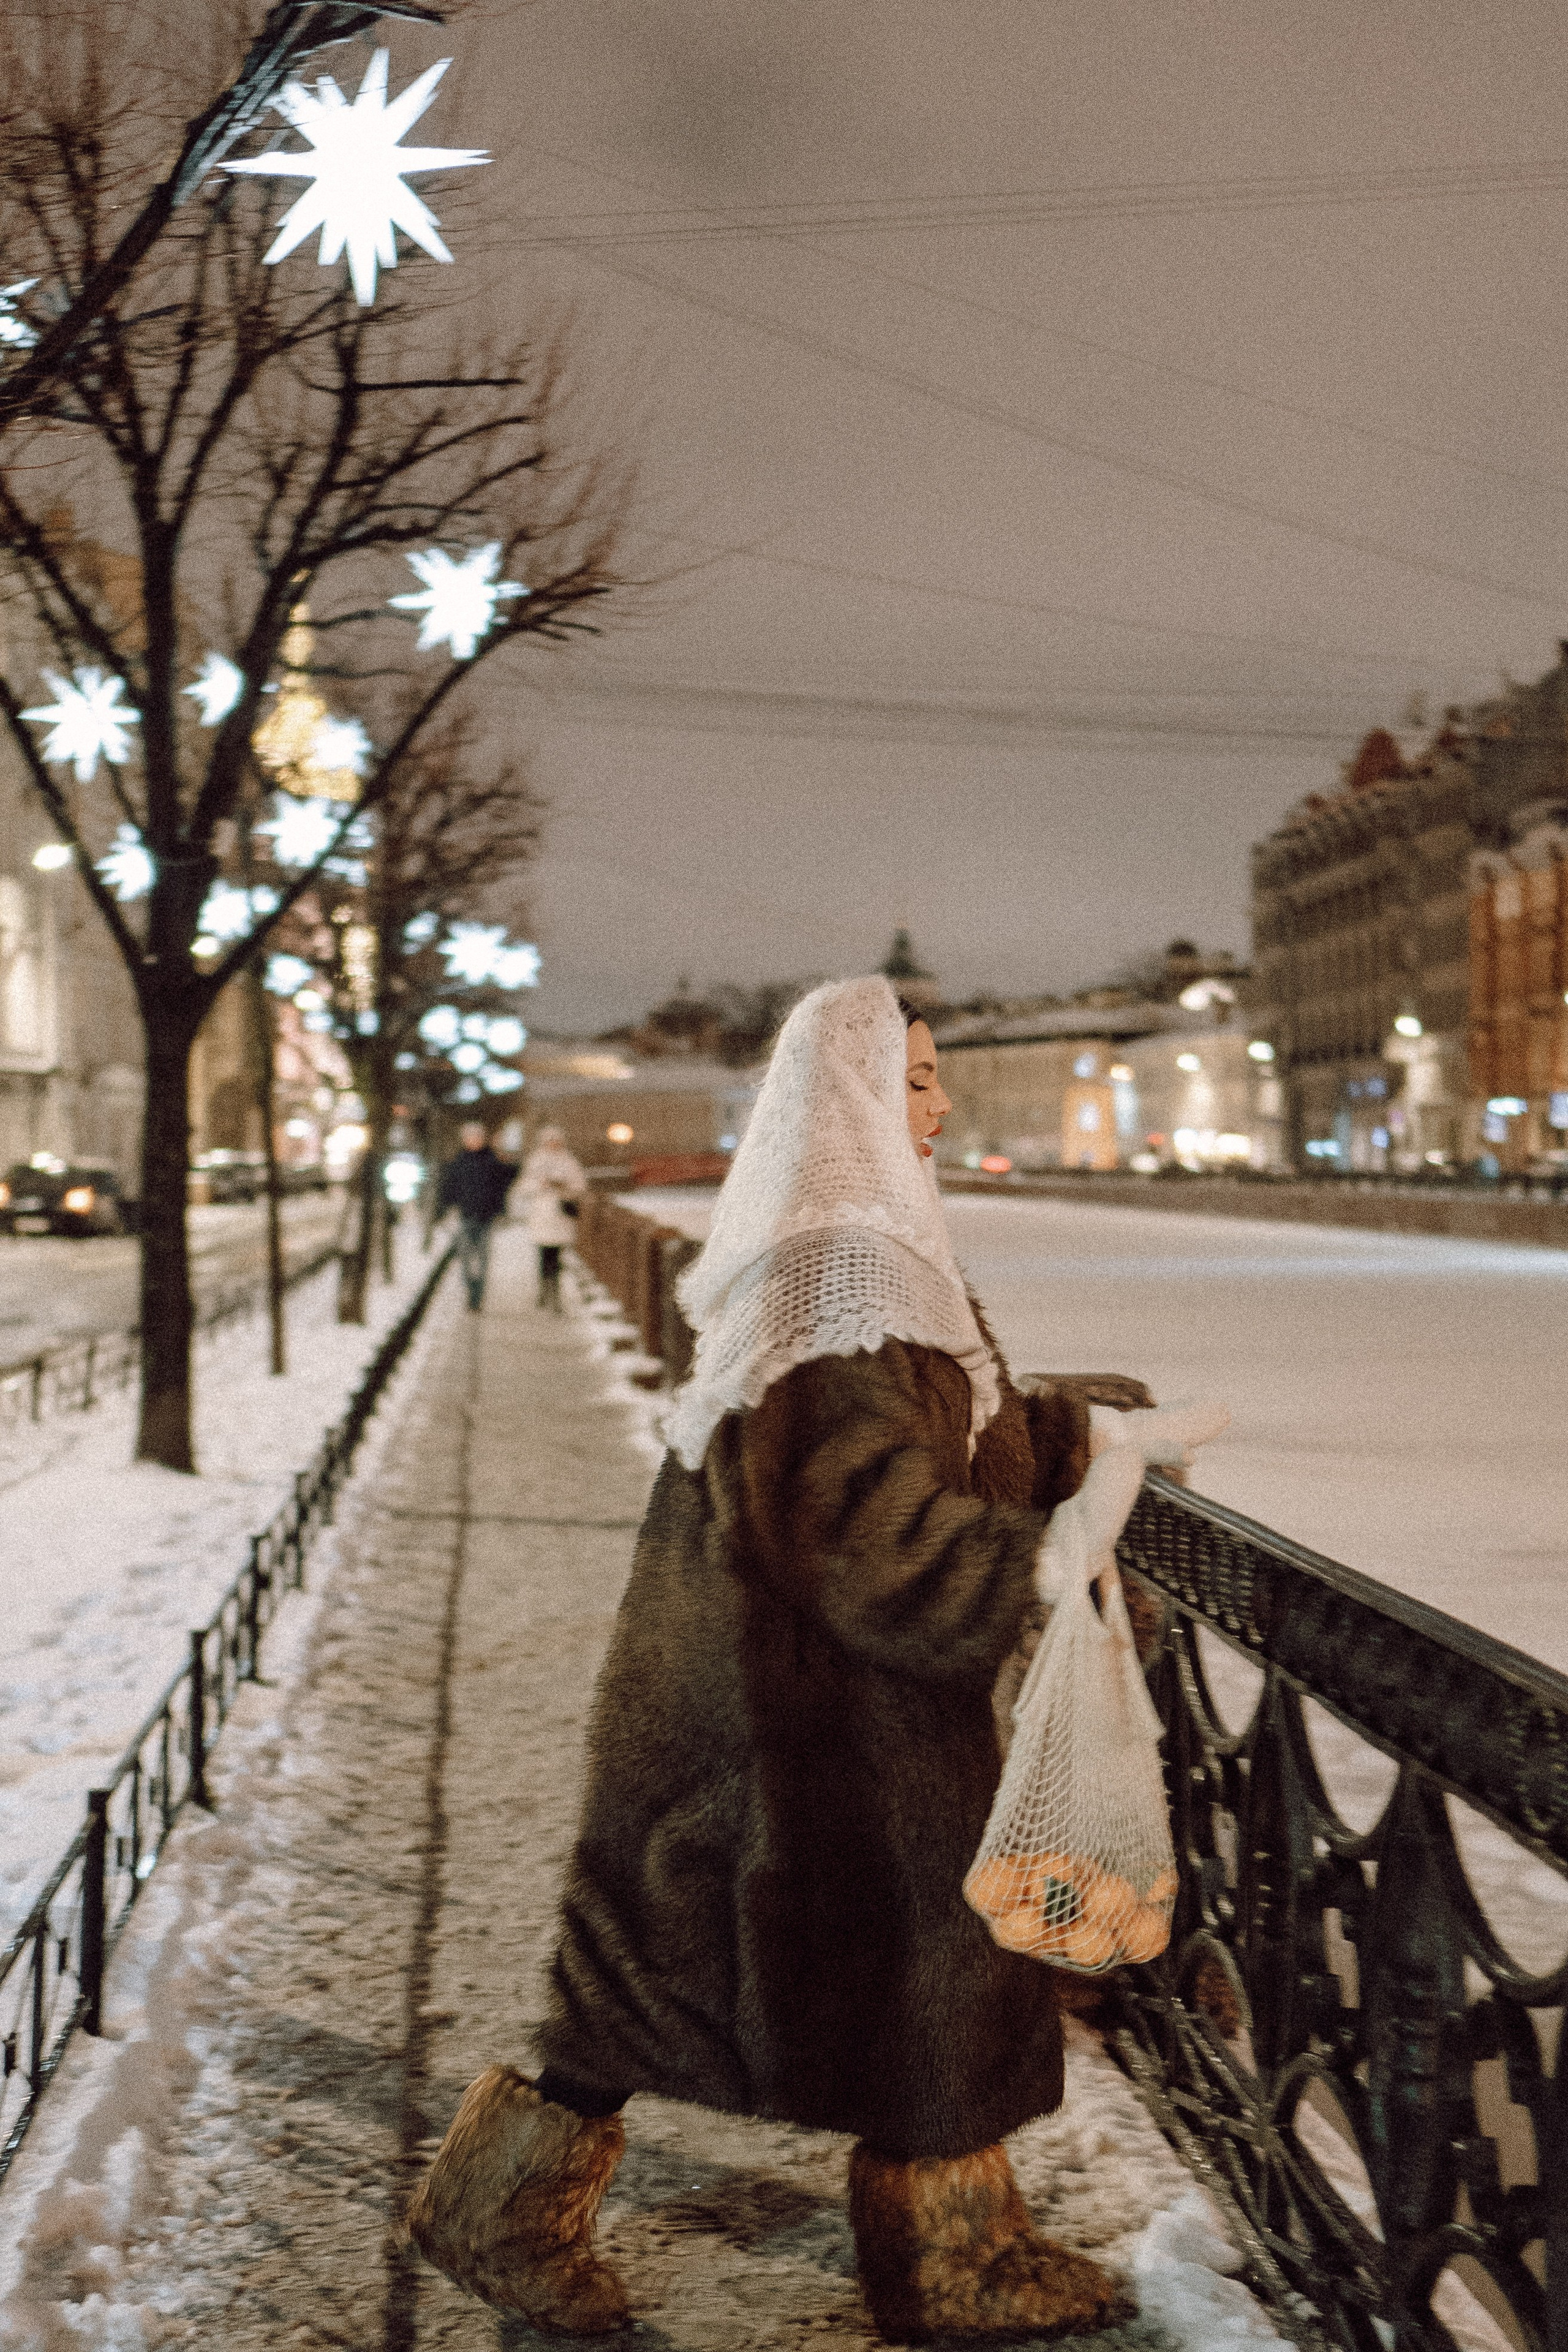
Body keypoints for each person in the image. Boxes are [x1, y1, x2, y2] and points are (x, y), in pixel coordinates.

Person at [408, 978, 1224, 2341]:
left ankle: (505, 2208)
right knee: (913, 1973)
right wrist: (1051, 1542)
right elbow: (859, 1527)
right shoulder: (844, 1275)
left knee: (666, 1983)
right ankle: (943, 2265)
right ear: (845, 1101)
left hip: (751, 1703)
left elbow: (930, 1439)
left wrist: (1078, 1436)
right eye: (911, 1080)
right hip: (800, 1728)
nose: (939, 1101)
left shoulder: (845, 1265)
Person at [437, 1121, 518, 1311]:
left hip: (486, 1217)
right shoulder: (458, 1162)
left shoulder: (493, 1160)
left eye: (477, 1137)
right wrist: (445, 1209)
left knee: (482, 1260)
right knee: (465, 1259)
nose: (474, 1141)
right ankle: (470, 1291)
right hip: (466, 1216)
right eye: (470, 1138)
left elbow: (509, 1176)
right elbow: (449, 1187)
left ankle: (477, 1298)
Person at [519, 1124, 586, 1311]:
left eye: (556, 1141)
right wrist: (541, 1185)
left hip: (561, 1217)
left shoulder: (569, 1162)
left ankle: (554, 1293)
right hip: (542, 1216)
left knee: (556, 1257)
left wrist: (563, 1187)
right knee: (544, 1256)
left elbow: (580, 1185)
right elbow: (524, 1186)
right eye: (550, 1141)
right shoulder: (535, 1161)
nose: (553, 1145)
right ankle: (544, 1291)